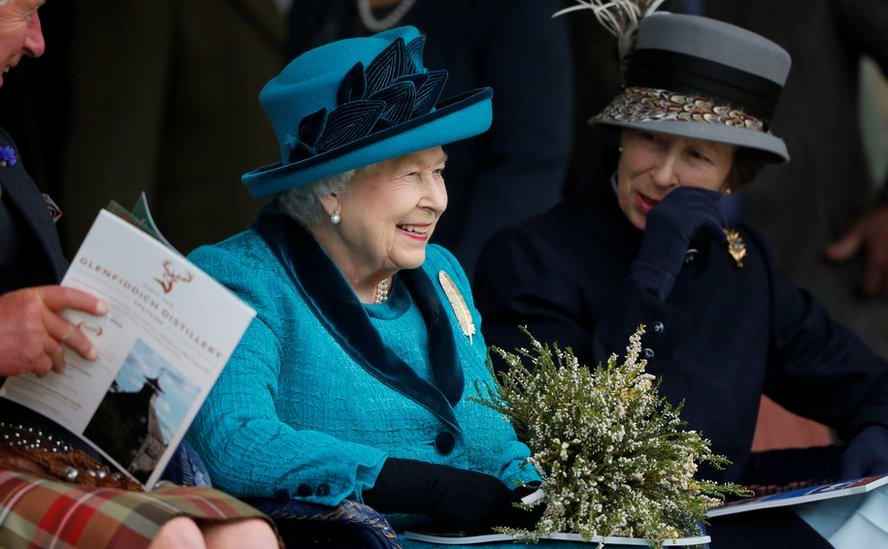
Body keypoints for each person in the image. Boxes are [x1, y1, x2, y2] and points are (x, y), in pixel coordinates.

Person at [474, 12, 888, 546]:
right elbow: (585, 443)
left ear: (731, 177)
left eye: (696, 155)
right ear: (621, 136)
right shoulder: (530, 256)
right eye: (651, 138)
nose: (664, 174)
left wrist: (876, 432)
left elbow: (862, 382)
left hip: (721, 520)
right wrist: (653, 269)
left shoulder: (742, 264)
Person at [185, 27, 541, 541]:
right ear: (332, 191)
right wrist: (407, 483)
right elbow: (236, 441)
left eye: (438, 171)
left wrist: (538, 490)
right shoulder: (240, 278)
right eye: (409, 175)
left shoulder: (442, 274)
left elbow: (498, 442)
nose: (437, 200)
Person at [0, 0, 279, 546]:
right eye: (25, 14)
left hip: (20, 436)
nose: (39, 41)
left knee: (245, 535)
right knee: (171, 537)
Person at [285, 0, 574, 277]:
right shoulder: (314, 8)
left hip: (459, 259)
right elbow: (301, 147)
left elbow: (530, 165)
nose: (439, 200)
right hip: (324, 256)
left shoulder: (511, 8)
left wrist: (450, 291)